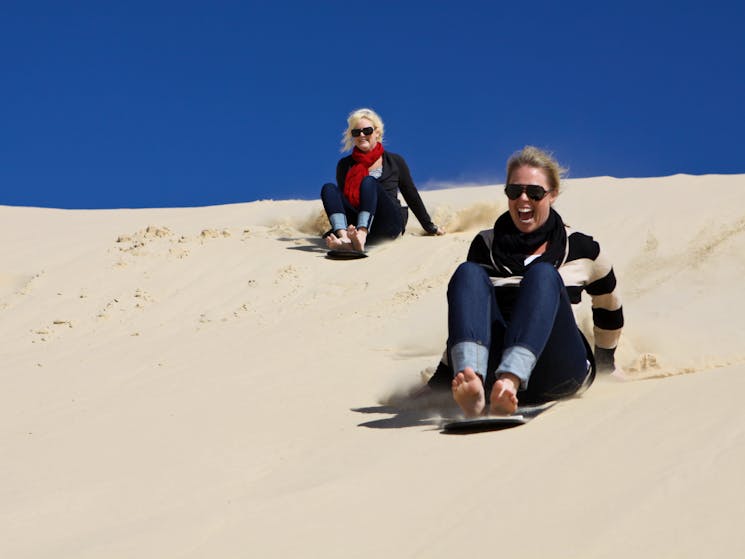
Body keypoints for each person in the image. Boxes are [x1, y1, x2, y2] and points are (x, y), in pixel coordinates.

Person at [426, 146, 623, 417]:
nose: (523, 199)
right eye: (513, 191)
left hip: (558, 371)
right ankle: (474, 384)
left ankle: (511, 381)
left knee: (543, 276)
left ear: (552, 195)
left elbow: (608, 306)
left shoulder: (582, 248)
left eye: (534, 192)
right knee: (467, 273)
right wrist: (440, 379)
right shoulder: (486, 244)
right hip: (492, 373)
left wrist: (606, 363)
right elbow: (471, 313)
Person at [320, 108, 444, 252]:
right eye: (356, 132)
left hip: (388, 224)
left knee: (369, 182)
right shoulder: (345, 165)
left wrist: (429, 227)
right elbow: (342, 201)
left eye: (367, 131)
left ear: (377, 132)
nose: (361, 135)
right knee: (328, 188)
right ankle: (344, 238)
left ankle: (362, 234)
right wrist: (340, 229)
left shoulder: (395, 161)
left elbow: (411, 195)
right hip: (355, 221)